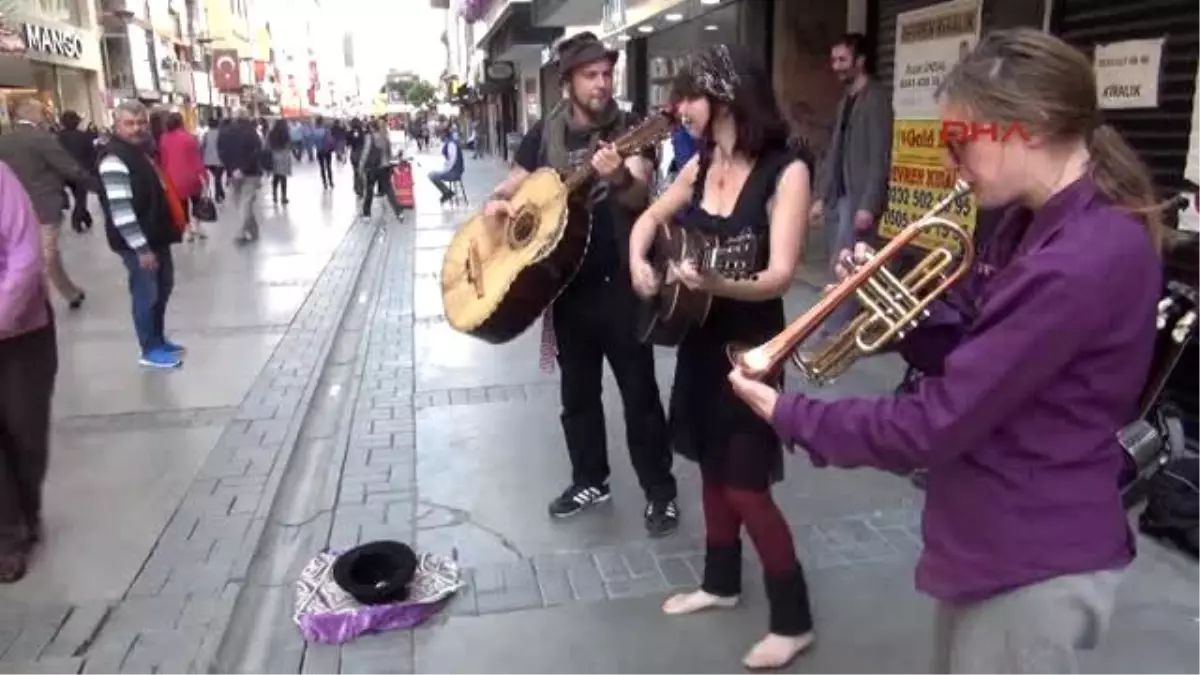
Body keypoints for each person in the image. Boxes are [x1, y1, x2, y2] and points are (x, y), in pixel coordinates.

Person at [728, 28, 1164, 675]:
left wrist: (792, 414)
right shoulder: (1028, 221)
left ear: (1032, 127)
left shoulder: (1079, 258)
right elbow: (981, 344)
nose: (952, 163)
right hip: (996, 535)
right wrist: (900, 310)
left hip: (1032, 552)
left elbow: (937, 420)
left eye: (962, 141)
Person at [629, 45, 815, 669]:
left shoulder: (786, 172)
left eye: (690, 96)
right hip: (700, 337)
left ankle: (794, 621)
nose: (680, 108)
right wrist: (639, 263)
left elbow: (781, 274)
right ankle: (720, 582)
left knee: (745, 482)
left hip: (753, 347)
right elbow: (650, 219)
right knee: (709, 465)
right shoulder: (701, 161)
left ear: (727, 97)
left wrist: (716, 283)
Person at [482, 32, 679, 536]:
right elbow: (514, 182)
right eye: (590, 75)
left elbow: (639, 196)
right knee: (578, 395)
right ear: (567, 82)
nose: (601, 83)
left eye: (606, 73)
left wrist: (615, 178)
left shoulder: (633, 127)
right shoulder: (545, 132)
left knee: (639, 394)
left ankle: (660, 492)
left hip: (620, 286)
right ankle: (591, 478)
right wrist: (497, 204)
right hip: (565, 286)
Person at [811, 33, 893, 333]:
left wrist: (869, 205)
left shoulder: (876, 99)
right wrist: (820, 196)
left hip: (860, 200)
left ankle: (837, 331)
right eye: (834, 60)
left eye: (842, 59)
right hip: (840, 198)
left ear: (861, 61)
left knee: (845, 266)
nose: (836, 66)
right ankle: (849, 325)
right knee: (844, 264)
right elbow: (835, 151)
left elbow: (880, 155)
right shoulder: (845, 101)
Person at [0, 161, 58, 583]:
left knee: (25, 433)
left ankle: (28, 510)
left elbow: (25, 254)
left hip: (21, 332)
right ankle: (8, 537)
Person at [96, 101, 187, 369]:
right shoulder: (114, 158)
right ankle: (149, 348)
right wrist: (141, 247)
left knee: (162, 288)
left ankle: (158, 339)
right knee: (147, 293)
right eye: (129, 123)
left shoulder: (140, 152)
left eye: (140, 123)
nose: (136, 128)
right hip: (139, 242)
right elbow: (121, 209)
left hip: (156, 235)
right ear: (117, 125)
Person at [0, 98, 94, 311]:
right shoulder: (41, 138)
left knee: (43, 253)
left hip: (14, 207)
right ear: (31, 115)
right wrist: (94, 184)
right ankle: (32, 299)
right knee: (46, 254)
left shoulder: (3, 140)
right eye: (42, 112)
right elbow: (67, 166)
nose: (45, 116)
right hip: (44, 204)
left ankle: (69, 292)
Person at [156, 112, 209, 241]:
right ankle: (197, 226)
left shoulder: (163, 138)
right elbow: (196, 159)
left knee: (182, 204)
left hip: (173, 177)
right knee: (196, 201)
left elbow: (163, 159)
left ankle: (187, 230)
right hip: (191, 177)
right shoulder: (189, 138)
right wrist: (204, 175)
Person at [218, 108, 265, 244]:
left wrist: (231, 168)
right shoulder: (251, 132)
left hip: (233, 173)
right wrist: (243, 168)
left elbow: (221, 152)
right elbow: (257, 151)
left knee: (239, 203)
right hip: (251, 172)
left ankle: (253, 229)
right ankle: (241, 232)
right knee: (246, 202)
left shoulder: (225, 132)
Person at [57, 110, 98, 232]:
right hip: (81, 171)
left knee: (78, 197)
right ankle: (77, 220)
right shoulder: (83, 136)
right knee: (81, 197)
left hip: (65, 172)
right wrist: (92, 170)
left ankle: (86, 218)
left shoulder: (58, 137)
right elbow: (92, 154)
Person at [358, 119, 402, 220]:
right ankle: (399, 212)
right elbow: (390, 155)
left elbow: (365, 153)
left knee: (369, 190)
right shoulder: (385, 137)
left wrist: (361, 167)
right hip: (385, 167)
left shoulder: (370, 137)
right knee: (389, 190)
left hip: (373, 168)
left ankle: (366, 214)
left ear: (371, 127)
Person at [428, 125, 464, 204]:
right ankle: (447, 192)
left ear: (444, 134)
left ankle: (447, 192)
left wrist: (445, 171)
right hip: (454, 170)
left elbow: (452, 160)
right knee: (433, 174)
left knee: (431, 175)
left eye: (440, 134)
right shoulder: (450, 142)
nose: (439, 136)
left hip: (454, 172)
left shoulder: (451, 144)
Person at [267, 119, 293, 205]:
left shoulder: (271, 133)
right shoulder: (286, 133)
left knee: (275, 176)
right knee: (283, 177)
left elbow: (268, 144)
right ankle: (283, 197)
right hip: (284, 155)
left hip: (274, 155)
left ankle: (274, 195)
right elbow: (288, 144)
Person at [200, 118, 226, 203]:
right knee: (217, 177)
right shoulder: (221, 134)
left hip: (208, 161)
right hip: (219, 160)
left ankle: (220, 193)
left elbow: (202, 147)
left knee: (216, 177)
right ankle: (218, 194)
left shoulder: (206, 135)